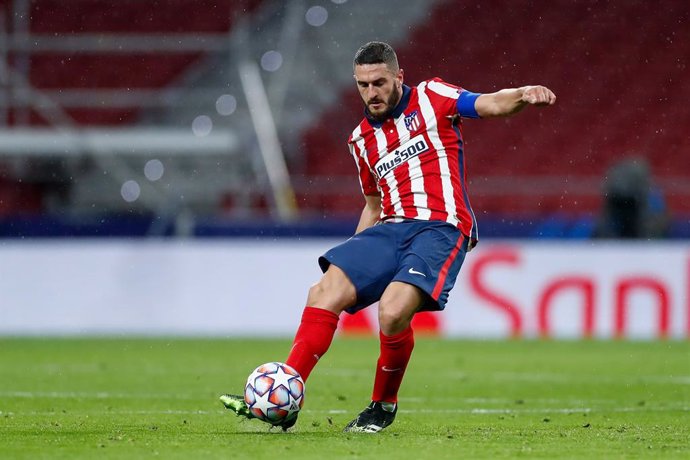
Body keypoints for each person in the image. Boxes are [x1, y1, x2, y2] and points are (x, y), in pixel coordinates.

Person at [221, 41, 556, 433]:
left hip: (440, 226)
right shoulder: (361, 139)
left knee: (394, 311)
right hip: (389, 227)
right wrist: (356, 256)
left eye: (379, 82)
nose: (371, 93)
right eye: (363, 85)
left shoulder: (432, 97)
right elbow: (373, 203)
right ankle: (285, 394)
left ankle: (383, 404)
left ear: (399, 77)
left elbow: (488, 104)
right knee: (324, 291)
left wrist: (522, 95)